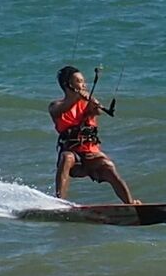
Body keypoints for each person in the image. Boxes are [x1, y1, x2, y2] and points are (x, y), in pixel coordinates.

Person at [48, 65, 135, 206]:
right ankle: (59, 203)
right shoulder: (55, 106)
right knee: (66, 157)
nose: (84, 84)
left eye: (83, 81)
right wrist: (77, 97)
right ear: (68, 84)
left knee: (109, 167)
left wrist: (93, 105)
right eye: (79, 81)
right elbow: (61, 110)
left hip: (91, 155)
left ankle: (130, 204)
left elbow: (97, 112)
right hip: (74, 156)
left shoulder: (87, 103)